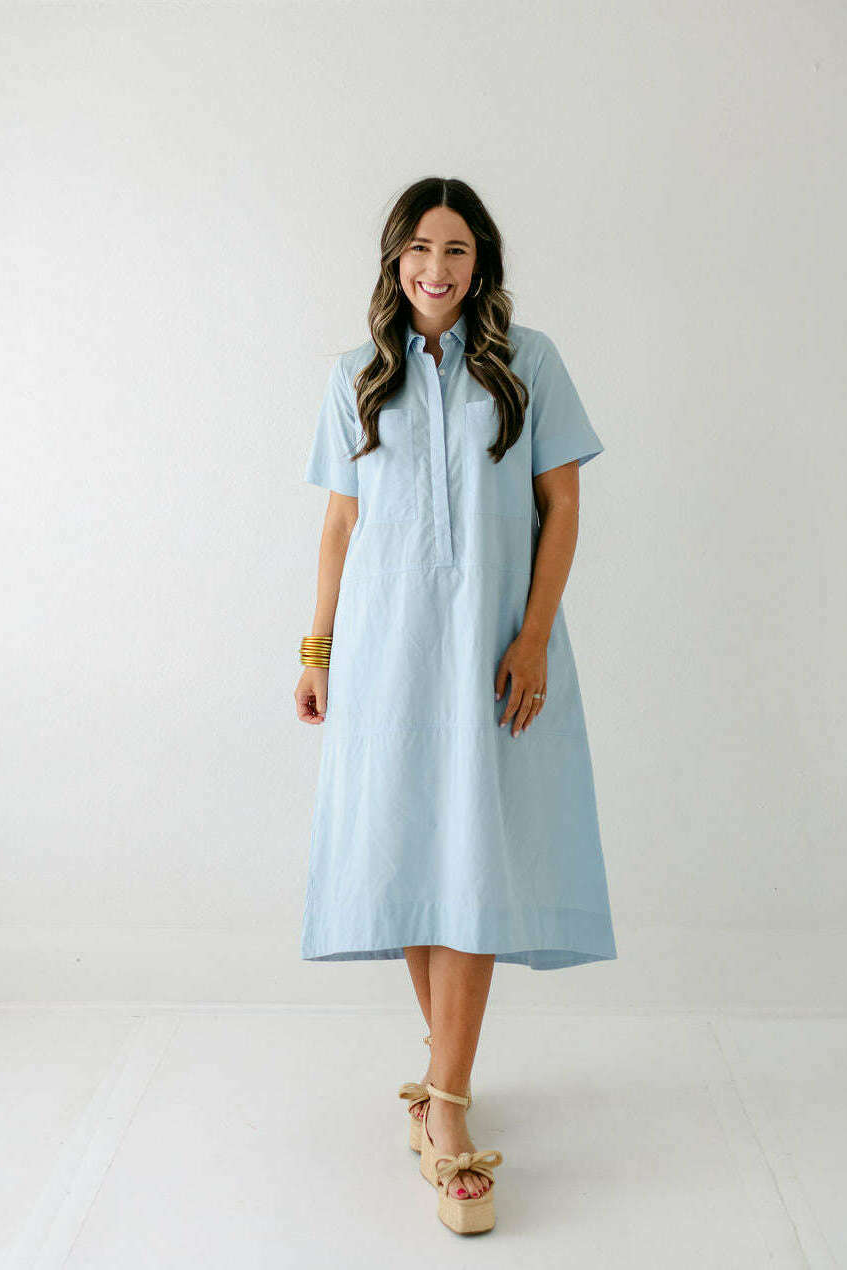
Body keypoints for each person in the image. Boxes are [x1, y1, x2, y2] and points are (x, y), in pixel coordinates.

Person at [294, 177, 616, 1234]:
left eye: (459, 250)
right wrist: (317, 651)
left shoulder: (529, 363)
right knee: (411, 853)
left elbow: (562, 504)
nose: (438, 268)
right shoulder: (356, 376)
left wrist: (532, 635)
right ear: (396, 259)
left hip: (489, 653)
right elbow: (341, 525)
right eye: (422, 249)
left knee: (473, 854)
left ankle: (444, 1104)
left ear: (482, 264)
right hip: (387, 653)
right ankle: (444, 1092)